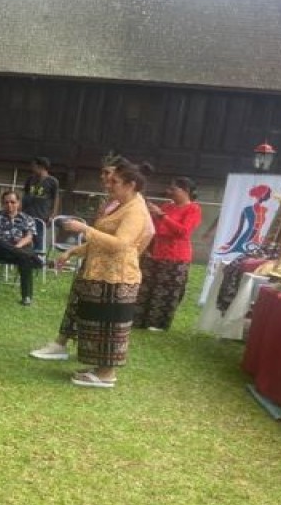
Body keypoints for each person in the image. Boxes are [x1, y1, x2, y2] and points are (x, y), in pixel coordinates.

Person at [30, 161, 152, 389]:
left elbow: (121, 244)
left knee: (110, 325)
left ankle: (107, 374)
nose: (109, 185)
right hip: (100, 274)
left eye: (115, 181)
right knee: (98, 323)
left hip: (118, 277)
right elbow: (102, 240)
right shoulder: (120, 205)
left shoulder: (136, 209)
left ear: (131, 185)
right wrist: (73, 251)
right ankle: (99, 369)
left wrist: (85, 229)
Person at [135, 177, 202, 331]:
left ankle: (158, 324)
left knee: (166, 291)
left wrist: (162, 216)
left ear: (186, 191)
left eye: (173, 189)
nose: (169, 192)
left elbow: (183, 232)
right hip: (155, 252)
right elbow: (154, 228)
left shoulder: (193, 209)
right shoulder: (167, 206)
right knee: (146, 287)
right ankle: (139, 319)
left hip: (176, 256)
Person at [0, 191, 43, 306]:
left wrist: (16, 248)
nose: (9, 205)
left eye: (13, 202)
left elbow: (29, 237)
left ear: (18, 203)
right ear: (2, 203)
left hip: (19, 250)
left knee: (25, 257)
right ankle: (35, 259)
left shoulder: (26, 218)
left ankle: (26, 297)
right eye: (6, 202)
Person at [22, 157, 59, 221]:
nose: (32, 168)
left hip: (42, 216)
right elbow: (25, 195)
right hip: (27, 214)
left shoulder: (52, 181)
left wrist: (53, 214)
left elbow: (56, 198)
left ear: (41, 167)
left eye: (34, 166)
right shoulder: (29, 179)